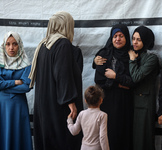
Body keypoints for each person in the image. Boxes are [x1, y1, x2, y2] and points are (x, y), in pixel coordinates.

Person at [28, 11, 83, 150]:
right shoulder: (62, 44)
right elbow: (62, 75)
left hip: (44, 105)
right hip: (59, 107)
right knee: (62, 141)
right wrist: (71, 102)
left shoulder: (43, 45)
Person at [93, 24, 135, 150]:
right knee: (108, 134)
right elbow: (99, 79)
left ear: (126, 37)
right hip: (107, 102)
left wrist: (115, 77)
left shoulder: (131, 55)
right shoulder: (104, 54)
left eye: (121, 36)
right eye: (115, 36)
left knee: (125, 134)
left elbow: (133, 81)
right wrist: (121, 83)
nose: (117, 39)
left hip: (125, 103)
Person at [128, 25, 160, 150]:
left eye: (139, 39)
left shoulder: (151, 58)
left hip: (144, 105)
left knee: (142, 140)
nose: (135, 42)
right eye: (133, 38)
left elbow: (136, 76)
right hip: (131, 103)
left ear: (146, 41)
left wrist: (132, 60)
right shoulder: (132, 53)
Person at [0, 31, 33, 150]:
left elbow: (26, 87)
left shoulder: (26, 64)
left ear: (19, 45)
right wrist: (15, 82)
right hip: (2, 108)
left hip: (19, 107)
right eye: (7, 44)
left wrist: (4, 86)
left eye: (14, 44)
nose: (11, 47)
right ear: (3, 46)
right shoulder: (0, 63)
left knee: (19, 136)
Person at [67, 85, 109, 150]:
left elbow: (74, 131)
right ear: (101, 100)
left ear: (85, 101)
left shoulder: (82, 114)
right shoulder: (102, 115)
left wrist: (69, 120)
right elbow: (103, 137)